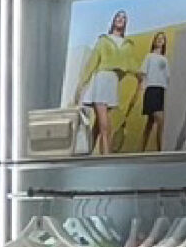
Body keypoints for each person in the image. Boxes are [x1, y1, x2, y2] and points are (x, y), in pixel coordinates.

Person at [65, 10, 152, 153]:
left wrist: (141, 76)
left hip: (113, 83)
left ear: (126, 23)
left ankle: (86, 154)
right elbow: (92, 63)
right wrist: (81, 84)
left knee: (99, 126)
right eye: (118, 17)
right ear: (113, 20)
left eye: (123, 18)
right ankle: (107, 158)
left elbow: (131, 64)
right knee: (106, 126)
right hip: (101, 80)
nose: (120, 19)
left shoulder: (128, 45)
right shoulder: (103, 40)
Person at [140, 31, 172, 154]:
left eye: (162, 39)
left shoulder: (165, 59)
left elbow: (167, 77)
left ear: (164, 43)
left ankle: (141, 149)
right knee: (160, 120)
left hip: (161, 90)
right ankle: (161, 151)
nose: (160, 40)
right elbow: (143, 73)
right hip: (151, 89)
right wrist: (142, 87)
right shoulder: (149, 57)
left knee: (150, 122)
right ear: (154, 41)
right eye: (158, 38)